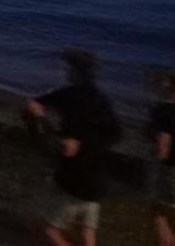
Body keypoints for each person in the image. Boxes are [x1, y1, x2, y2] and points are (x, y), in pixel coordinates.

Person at [24, 49, 121, 246]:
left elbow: (34, 105)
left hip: (73, 177)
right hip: (97, 177)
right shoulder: (102, 99)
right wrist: (87, 144)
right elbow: (116, 134)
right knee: (87, 235)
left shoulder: (70, 96)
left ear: (76, 70)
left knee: (49, 229)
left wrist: (42, 123)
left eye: (68, 67)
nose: (65, 71)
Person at [151, 70, 175, 246]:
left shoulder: (166, 111)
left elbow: (162, 149)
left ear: (172, 88)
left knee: (161, 215)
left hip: (174, 169)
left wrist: (154, 157)